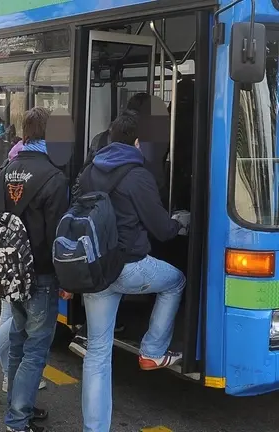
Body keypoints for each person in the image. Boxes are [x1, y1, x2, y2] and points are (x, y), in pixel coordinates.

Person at [78, 112, 187, 432]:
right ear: (138, 142)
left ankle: (94, 429)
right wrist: (179, 222)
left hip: (95, 268)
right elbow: (162, 229)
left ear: (110, 138)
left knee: (97, 354)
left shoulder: (89, 172)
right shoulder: (139, 175)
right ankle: (152, 351)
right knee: (176, 281)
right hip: (129, 267)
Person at [0, 107, 69, 432]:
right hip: (41, 275)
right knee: (36, 348)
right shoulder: (54, 176)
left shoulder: (7, 170)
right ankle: (18, 418)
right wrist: (62, 278)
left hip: (9, 273)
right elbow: (56, 236)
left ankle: (21, 407)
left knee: (19, 340)